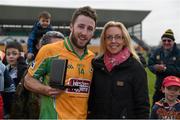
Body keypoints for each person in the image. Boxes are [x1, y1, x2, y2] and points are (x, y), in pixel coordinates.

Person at [24, 6, 97, 119]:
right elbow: (28, 80)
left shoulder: (92, 59)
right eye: (81, 26)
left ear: (93, 32)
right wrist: (45, 90)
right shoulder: (49, 50)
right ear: (71, 26)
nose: (84, 32)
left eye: (90, 29)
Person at [88, 21, 150, 119]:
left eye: (118, 37)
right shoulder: (96, 65)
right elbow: (90, 102)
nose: (113, 41)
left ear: (124, 40)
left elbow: (143, 107)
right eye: (109, 37)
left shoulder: (136, 68)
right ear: (104, 41)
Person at [148, 29, 180, 105]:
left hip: (175, 90)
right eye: (164, 40)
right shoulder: (157, 51)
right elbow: (150, 64)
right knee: (156, 111)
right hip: (160, 88)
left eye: (169, 41)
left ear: (173, 41)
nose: (166, 42)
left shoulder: (178, 53)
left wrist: (166, 69)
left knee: (175, 114)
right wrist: (155, 68)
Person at [2, 41, 27, 118]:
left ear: (20, 55)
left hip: (19, 109)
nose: (11, 56)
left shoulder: (24, 68)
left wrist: (22, 60)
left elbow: (21, 76)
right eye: (8, 54)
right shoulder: (5, 69)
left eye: (14, 53)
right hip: (6, 107)